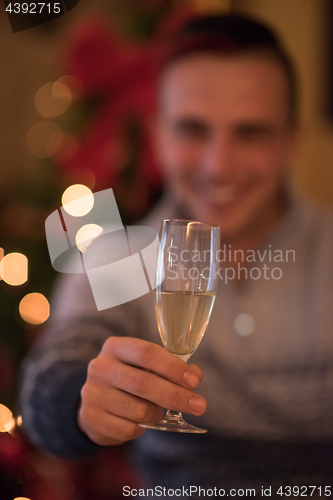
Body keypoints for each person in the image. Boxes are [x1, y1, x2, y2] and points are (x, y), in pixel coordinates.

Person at [20, 13, 333, 497]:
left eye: (250, 133)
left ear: (290, 140)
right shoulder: (119, 256)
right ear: (158, 134)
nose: (218, 165)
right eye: (192, 129)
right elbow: (55, 374)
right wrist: (82, 401)